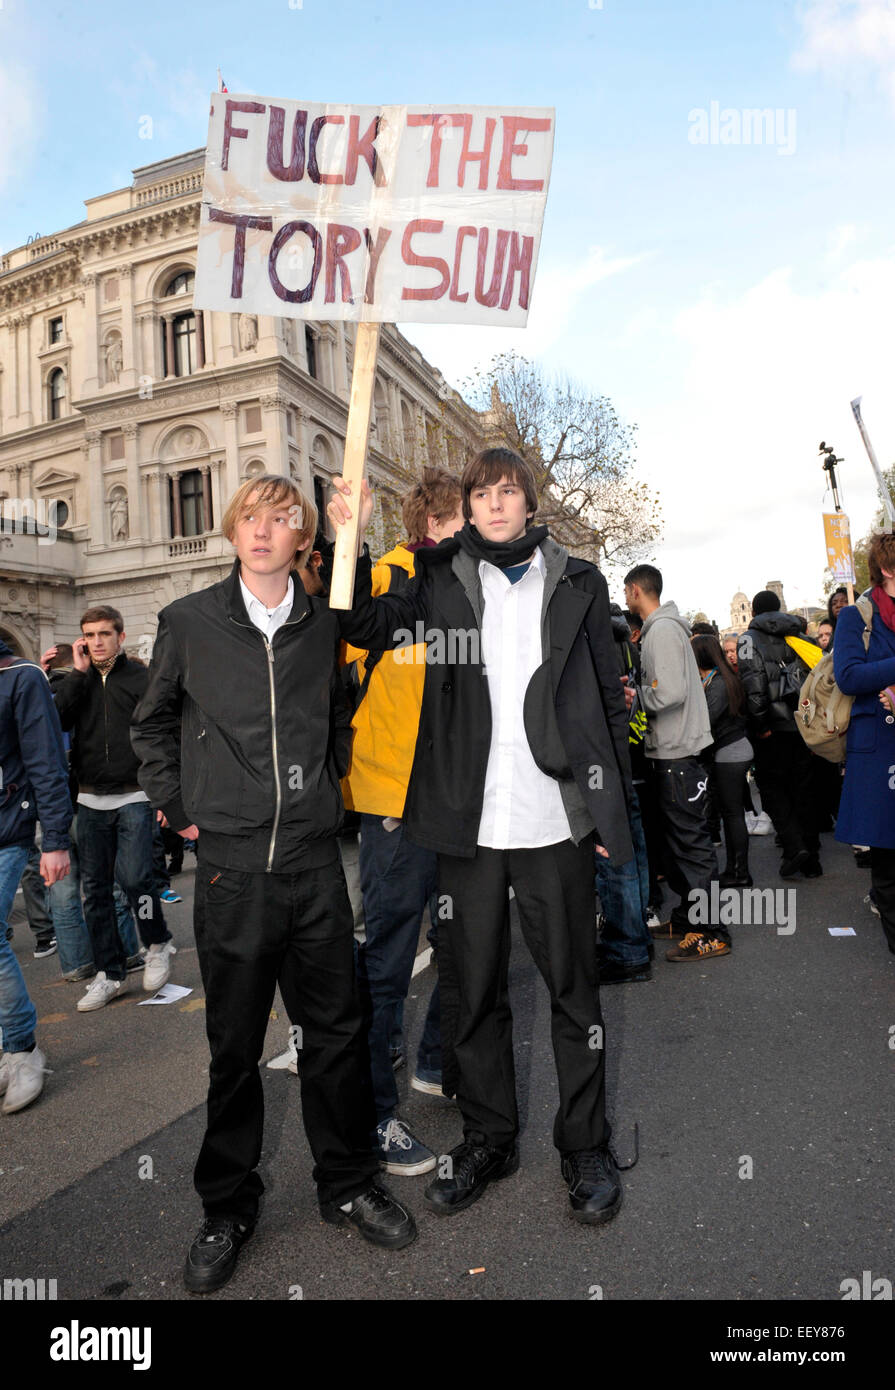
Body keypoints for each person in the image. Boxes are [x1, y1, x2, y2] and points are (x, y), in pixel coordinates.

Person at [332, 447, 636, 1226]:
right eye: (482, 493)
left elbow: (606, 704)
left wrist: (611, 816)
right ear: (464, 507)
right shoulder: (435, 576)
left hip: (552, 822)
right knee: (471, 995)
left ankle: (586, 1146)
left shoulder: (576, 581)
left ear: (529, 504)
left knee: (573, 992)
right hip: (465, 825)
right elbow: (364, 624)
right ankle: (489, 1138)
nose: (496, 504)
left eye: (509, 492)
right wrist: (349, 538)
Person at [132, 472, 415, 1295]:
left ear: (302, 539)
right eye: (251, 517)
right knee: (233, 1048)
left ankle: (350, 1184)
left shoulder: (323, 624)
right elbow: (150, 722)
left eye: (282, 519)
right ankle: (226, 1205)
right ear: (232, 529)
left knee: (337, 1034)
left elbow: (336, 712)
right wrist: (183, 810)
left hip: (314, 866)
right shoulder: (189, 622)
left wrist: (356, 527)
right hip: (229, 869)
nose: (263, 531)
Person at [343, 466, 464, 1174]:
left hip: (456, 802)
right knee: (387, 957)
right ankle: (373, 1115)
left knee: (465, 941)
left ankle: (435, 1060)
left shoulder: (472, 585)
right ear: (434, 521)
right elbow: (352, 643)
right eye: (462, 518)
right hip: (393, 799)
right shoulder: (390, 576)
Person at [53, 608, 174, 1009]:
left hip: (135, 794)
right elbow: (57, 720)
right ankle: (110, 973)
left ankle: (156, 943)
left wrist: (165, 792)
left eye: (105, 633)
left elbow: (164, 731)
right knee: (97, 892)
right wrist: (78, 674)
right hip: (89, 799)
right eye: (90, 634)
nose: (97, 640)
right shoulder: (79, 681)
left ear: (121, 637)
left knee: (138, 879)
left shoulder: (141, 679)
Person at [624, 564, 729, 961]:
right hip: (673, 753)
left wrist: (636, 697)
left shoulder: (663, 631)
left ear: (635, 591)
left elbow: (667, 693)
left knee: (691, 847)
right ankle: (689, 919)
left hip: (677, 754)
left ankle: (710, 932)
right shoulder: (664, 629)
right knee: (680, 846)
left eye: (626, 591)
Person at [0, 638, 71, 1114]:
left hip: (7, 830)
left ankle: (22, 1049)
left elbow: (47, 759)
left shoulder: (21, 677)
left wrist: (56, 839)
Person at [834, 534, 895, 957]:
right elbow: (849, 676)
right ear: (888, 569)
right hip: (879, 749)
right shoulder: (858, 616)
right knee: (889, 859)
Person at [736, 590, 821, 878]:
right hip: (802, 723)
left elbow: (754, 685)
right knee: (802, 789)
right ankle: (812, 858)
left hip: (771, 728)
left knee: (772, 789)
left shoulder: (749, 640)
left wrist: (760, 725)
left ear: (755, 612)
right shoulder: (801, 637)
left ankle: (795, 846)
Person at [593, 604, 653, 982]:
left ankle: (627, 949)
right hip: (620, 760)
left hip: (601, 766)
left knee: (614, 860)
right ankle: (636, 937)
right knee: (631, 853)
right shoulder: (623, 642)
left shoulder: (597, 639)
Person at [691, 633, 754, 888]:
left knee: (732, 814)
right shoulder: (719, 678)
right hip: (731, 751)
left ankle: (740, 872)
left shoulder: (718, 683)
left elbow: (706, 720)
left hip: (731, 753)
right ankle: (735, 869)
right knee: (731, 814)